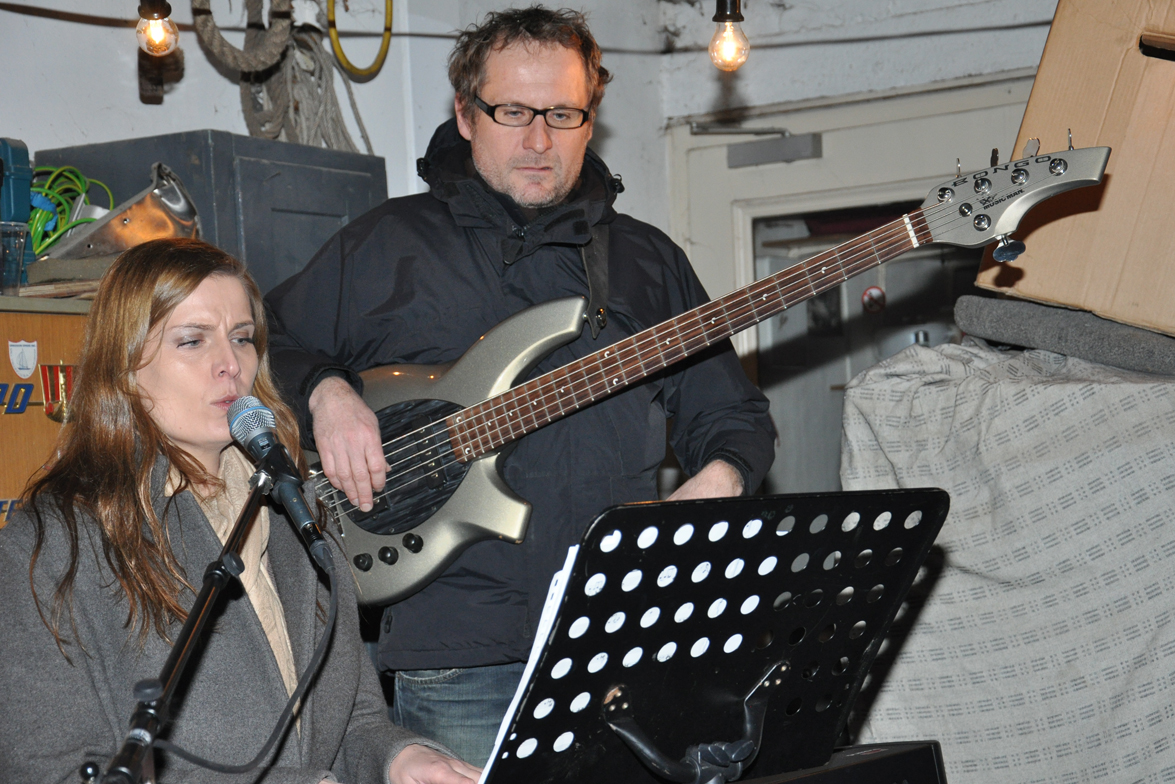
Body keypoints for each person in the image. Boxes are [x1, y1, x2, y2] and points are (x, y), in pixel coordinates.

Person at [265, 6, 777, 766]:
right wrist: (325, 395)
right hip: (460, 659)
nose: (539, 141)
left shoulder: (645, 262)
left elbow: (733, 414)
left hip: (622, 638)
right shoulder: (384, 246)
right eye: (513, 112)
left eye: (563, 114)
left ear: (590, 119)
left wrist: (719, 480)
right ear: (465, 115)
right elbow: (264, 340)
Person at [0, 238, 481, 783]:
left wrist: (398, 757)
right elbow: (46, 771)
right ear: (125, 366)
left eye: (242, 338)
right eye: (192, 340)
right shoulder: (50, 544)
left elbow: (352, 720)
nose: (230, 364)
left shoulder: (295, 505)